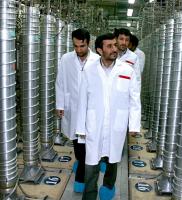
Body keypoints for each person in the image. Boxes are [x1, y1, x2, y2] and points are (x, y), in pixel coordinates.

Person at [76, 33, 141, 200]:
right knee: (91, 164)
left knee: (113, 160)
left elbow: (134, 99)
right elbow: (82, 101)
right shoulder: (89, 71)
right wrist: (80, 129)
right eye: (110, 46)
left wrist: (134, 125)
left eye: (115, 45)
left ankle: (108, 187)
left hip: (116, 124)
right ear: (99, 50)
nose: (115, 49)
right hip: (94, 124)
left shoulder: (127, 70)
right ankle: (89, 195)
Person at [55, 28, 99, 193]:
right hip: (72, 106)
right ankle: (82, 167)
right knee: (77, 142)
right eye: (76, 46)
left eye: (82, 46)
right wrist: (60, 104)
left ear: (89, 43)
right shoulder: (66, 58)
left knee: (89, 142)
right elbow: (60, 82)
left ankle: (82, 176)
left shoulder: (97, 59)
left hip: (91, 109)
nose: (79, 50)